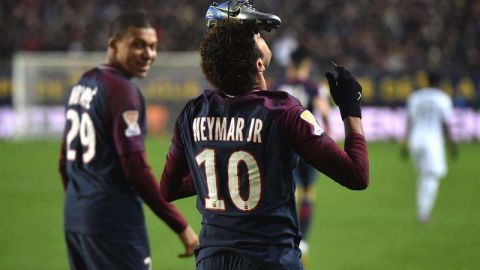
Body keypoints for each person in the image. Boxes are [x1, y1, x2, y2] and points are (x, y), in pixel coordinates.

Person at [159, 9, 369, 270]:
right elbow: (357, 175)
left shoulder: (192, 112)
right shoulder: (283, 112)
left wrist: (217, 176)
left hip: (212, 261)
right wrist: (351, 108)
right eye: (256, 35)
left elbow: (168, 189)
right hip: (270, 259)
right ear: (258, 64)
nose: (260, 36)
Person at [58, 11, 198, 270]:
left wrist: (82, 206)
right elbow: (136, 169)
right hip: (113, 224)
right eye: (138, 45)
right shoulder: (123, 91)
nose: (148, 54)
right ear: (113, 44)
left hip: (76, 220)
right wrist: (181, 225)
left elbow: (63, 162)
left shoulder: (83, 83)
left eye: (153, 47)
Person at [271, 46, 331, 258]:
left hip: (283, 146)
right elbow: (323, 112)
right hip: (308, 146)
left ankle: (287, 236)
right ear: (307, 63)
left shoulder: (278, 85)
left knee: (289, 192)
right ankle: (302, 240)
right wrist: (326, 138)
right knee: (308, 192)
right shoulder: (313, 87)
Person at [404, 71, 457, 223]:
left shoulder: (416, 97)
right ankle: (424, 213)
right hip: (432, 141)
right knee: (433, 175)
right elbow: (445, 124)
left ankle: (422, 209)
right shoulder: (442, 98)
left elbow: (409, 121)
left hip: (416, 139)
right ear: (440, 83)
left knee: (424, 175)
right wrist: (452, 144)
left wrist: (405, 144)